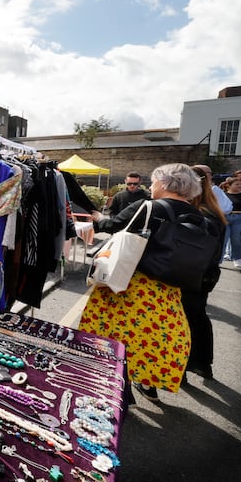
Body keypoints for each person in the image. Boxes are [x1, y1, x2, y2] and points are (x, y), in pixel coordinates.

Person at [84, 163, 205, 403]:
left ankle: (113, 384)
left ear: (164, 183)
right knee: (156, 337)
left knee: (113, 333)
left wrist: (98, 218)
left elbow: (114, 226)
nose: (151, 186)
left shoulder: (148, 207)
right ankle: (147, 382)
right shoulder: (198, 216)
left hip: (131, 283)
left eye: (154, 181)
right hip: (169, 289)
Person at [181, 166, 228, 379]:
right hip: (204, 275)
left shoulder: (198, 214)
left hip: (192, 275)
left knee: (187, 318)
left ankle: (185, 364)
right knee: (198, 316)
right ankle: (201, 363)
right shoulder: (211, 209)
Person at [223, 176, 241, 269]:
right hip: (225, 218)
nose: (239, 186)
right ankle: (218, 259)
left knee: (237, 238)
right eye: (237, 184)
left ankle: (238, 258)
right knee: (223, 238)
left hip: (240, 218)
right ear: (229, 185)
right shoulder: (224, 195)